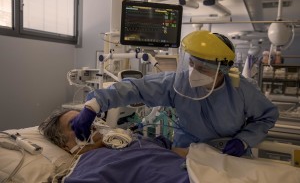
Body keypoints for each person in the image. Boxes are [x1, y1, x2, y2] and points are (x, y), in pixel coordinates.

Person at [71, 30, 279, 157]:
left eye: (203, 69)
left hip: (228, 153)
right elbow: (136, 88)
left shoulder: (242, 90)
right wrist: (94, 105)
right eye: (191, 64)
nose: (193, 73)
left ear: (222, 70)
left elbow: (266, 117)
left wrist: (244, 141)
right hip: (185, 153)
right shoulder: (177, 83)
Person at [39, 109, 189, 183]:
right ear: (65, 146)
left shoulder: (132, 139)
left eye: (85, 119)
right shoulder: (88, 166)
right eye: (75, 125)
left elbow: (182, 153)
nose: (89, 125)